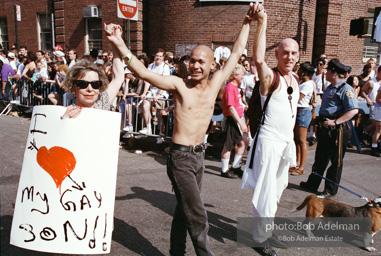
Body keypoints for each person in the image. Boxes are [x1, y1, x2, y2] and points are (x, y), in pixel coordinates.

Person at [105, 3, 259, 255]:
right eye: (192, 61)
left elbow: (237, 51)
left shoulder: (215, 83)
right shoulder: (178, 84)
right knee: (198, 216)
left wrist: (247, 21)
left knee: (183, 210)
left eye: (201, 62)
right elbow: (143, 72)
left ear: (212, 66)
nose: (195, 66)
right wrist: (119, 43)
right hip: (180, 157)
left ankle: (177, 251)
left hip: (199, 155)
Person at [240, 4, 300, 255]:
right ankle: (260, 238)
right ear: (278, 54)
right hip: (268, 141)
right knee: (265, 191)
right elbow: (258, 59)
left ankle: (267, 231)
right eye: (285, 53)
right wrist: (262, 23)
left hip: (285, 143)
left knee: (276, 190)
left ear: (298, 56)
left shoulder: (295, 79)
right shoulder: (269, 78)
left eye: (294, 53)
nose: (289, 57)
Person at [300, 59, 359, 197]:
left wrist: (336, 121)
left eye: (328, 71)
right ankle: (312, 184)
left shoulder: (346, 89)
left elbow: (353, 110)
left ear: (334, 73)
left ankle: (330, 189)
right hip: (325, 128)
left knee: (335, 161)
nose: (325, 72)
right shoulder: (331, 88)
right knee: (320, 157)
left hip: (337, 130)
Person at [60, 26, 123, 117]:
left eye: (95, 84)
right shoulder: (65, 114)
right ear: (73, 86)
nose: (90, 89)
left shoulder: (101, 103)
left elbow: (118, 77)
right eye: (82, 84)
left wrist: (115, 40)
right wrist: (64, 121)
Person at [221, 64, 248, 179]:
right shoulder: (229, 88)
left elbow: (236, 104)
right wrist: (241, 123)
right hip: (232, 120)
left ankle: (236, 167)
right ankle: (225, 170)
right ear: (235, 75)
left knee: (243, 142)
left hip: (238, 118)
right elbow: (230, 107)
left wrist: (243, 106)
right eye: (242, 75)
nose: (243, 77)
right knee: (228, 145)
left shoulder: (235, 88)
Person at [290, 62, 315, 176]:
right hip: (298, 111)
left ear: (305, 72)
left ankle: (301, 166)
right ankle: (296, 162)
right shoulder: (302, 82)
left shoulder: (308, 84)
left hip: (303, 112)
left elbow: (297, 99)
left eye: (300, 70)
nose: (298, 71)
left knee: (301, 140)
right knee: (296, 140)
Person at [362, 65, 381, 156]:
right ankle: (365, 133)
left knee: (377, 126)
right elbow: (363, 91)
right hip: (374, 105)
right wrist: (367, 99)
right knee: (376, 124)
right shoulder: (371, 82)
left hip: (377, 105)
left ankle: (373, 141)